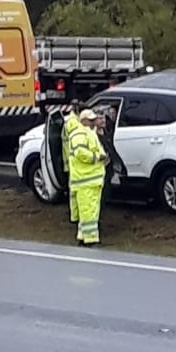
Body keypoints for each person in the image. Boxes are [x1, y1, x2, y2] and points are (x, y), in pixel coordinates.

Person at [67, 109, 107, 246]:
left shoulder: (88, 133)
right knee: (88, 212)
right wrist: (97, 158)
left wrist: (102, 157)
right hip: (85, 180)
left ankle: (83, 237)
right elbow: (81, 153)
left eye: (93, 119)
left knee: (89, 211)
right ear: (83, 120)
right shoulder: (78, 133)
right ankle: (90, 239)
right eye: (90, 120)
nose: (93, 122)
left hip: (91, 179)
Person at [61, 105, 83, 226]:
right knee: (74, 191)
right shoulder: (74, 124)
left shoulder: (71, 121)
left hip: (70, 159)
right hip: (74, 161)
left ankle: (75, 215)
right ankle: (75, 215)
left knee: (73, 189)